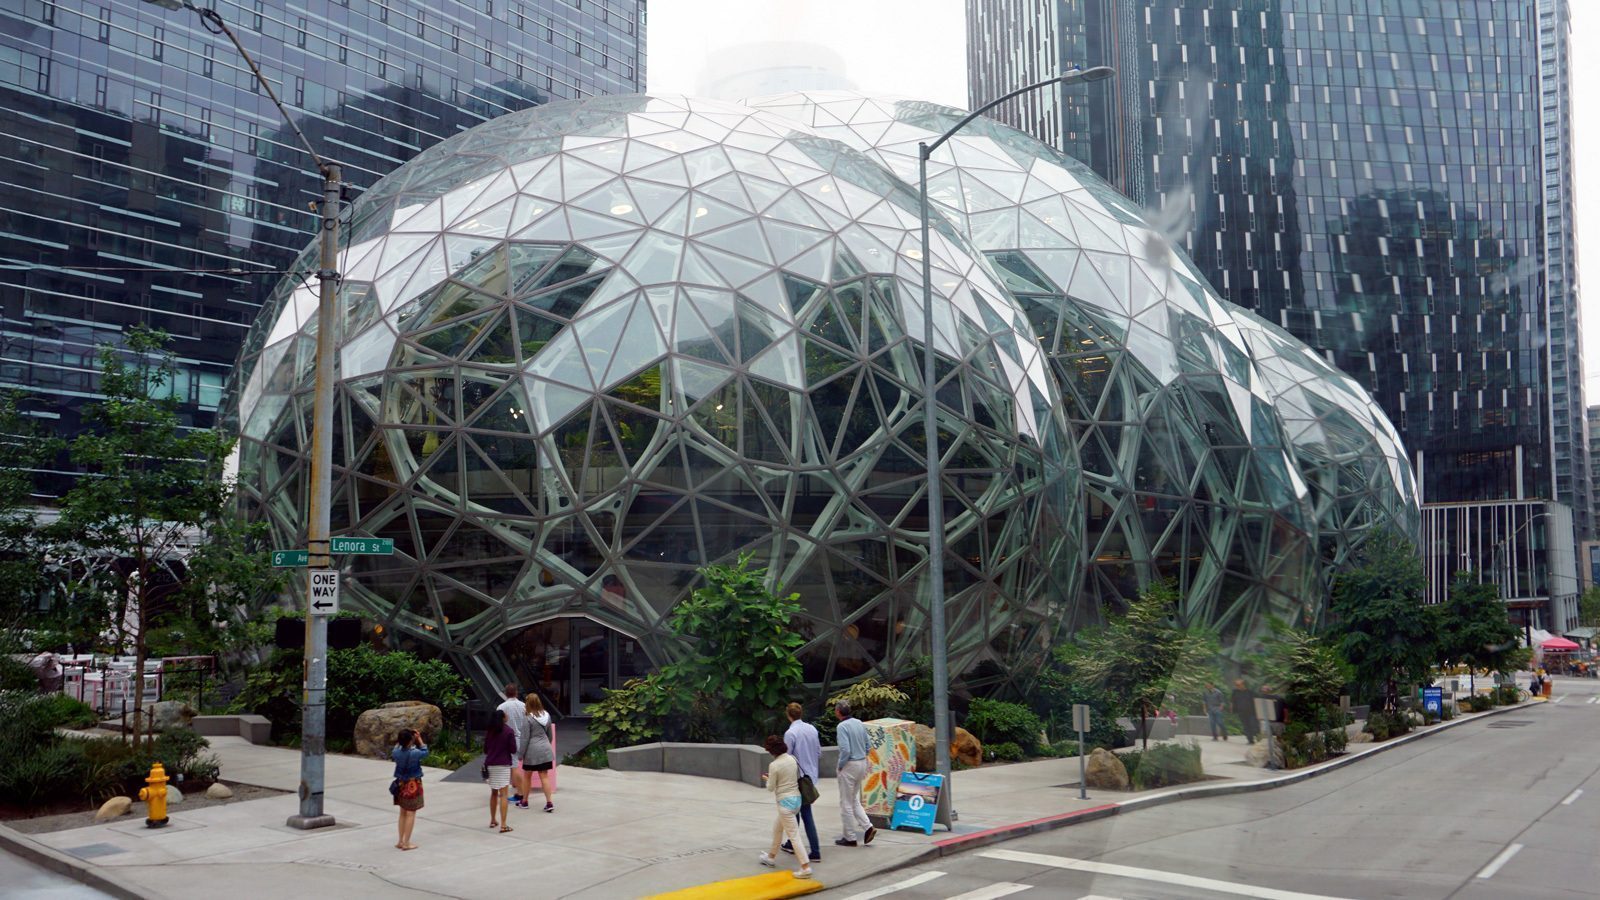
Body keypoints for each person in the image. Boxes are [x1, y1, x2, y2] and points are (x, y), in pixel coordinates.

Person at [758, 734, 814, 879]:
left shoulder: (774, 765)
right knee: (777, 829)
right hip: (796, 800)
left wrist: (767, 779)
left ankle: (805, 867)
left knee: (794, 836)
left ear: (771, 751)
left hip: (784, 803)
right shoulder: (792, 759)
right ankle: (770, 857)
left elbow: (770, 787)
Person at [778, 702, 822, 863]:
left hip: (798, 778)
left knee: (804, 813)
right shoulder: (812, 729)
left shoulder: (790, 733)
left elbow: (786, 757)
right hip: (811, 777)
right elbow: (818, 752)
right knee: (796, 811)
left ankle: (815, 850)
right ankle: (791, 843)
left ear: (788, 715)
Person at [832, 700, 875, 847]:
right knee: (854, 799)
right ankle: (868, 827)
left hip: (849, 765)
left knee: (846, 803)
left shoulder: (842, 726)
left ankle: (850, 837)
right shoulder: (859, 723)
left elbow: (845, 750)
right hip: (862, 762)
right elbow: (868, 745)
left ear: (838, 712)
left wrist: (840, 766)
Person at [390, 728, 428, 851]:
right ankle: (407, 843)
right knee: (411, 813)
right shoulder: (414, 753)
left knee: (402, 812)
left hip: (400, 783)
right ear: (411, 740)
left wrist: (403, 739)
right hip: (413, 784)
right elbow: (425, 751)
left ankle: (400, 841)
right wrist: (419, 739)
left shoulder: (396, 752)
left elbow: (397, 747)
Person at [519, 693, 556, 813]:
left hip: (532, 751)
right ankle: (549, 803)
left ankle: (524, 802)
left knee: (527, 776)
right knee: (544, 776)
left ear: (528, 703)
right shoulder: (547, 715)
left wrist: (521, 754)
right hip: (545, 749)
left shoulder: (527, 718)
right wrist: (545, 745)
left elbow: (525, 738)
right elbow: (550, 736)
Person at [484, 709, 517, 832]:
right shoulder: (508, 731)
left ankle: (493, 820)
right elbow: (513, 749)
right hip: (503, 765)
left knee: (493, 793)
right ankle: (503, 824)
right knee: (504, 794)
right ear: (503, 718)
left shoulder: (490, 731)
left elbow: (486, 749)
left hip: (491, 764)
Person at [497, 683, 529, 807]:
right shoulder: (523, 706)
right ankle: (519, 788)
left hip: (508, 739)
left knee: (513, 766)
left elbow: (498, 725)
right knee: (520, 766)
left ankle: (520, 793)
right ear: (516, 693)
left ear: (505, 693)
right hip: (522, 738)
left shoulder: (501, 707)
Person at [1230, 680, 1259, 744]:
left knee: (1253, 725)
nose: (1237, 686)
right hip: (1241, 712)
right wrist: (1231, 709)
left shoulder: (1250, 692)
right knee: (1246, 726)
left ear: (1243, 684)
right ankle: (1250, 740)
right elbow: (1232, 701)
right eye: (1236, 685)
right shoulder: (1235, 692)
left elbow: (1256, 701)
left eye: (1238, 685)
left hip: (1252, 712)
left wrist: (1258, 712)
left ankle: (1258, 738)